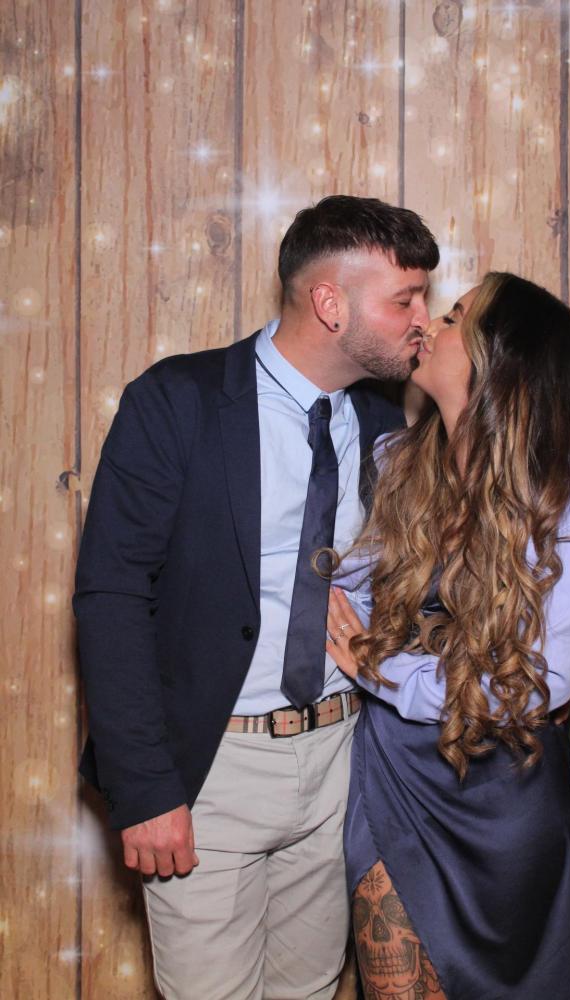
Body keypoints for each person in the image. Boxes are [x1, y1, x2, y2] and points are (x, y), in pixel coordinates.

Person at [73, 195, 440, 999]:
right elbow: (111, 595)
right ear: (330, 303)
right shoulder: (178, 400)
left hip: (340, 760)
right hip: (212, 770)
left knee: (312, 988)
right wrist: (145, 788)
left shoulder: (383, 416)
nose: (423, 319)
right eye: (405, 299)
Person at [325, 272, 570, 1000]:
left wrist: (382, 670)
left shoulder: (567, 486)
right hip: (395, 781)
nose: (428, 325)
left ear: (496, 358)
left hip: (507, 795)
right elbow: (344, 588)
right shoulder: (395, 461)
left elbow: (542, 685)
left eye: (453, 317)